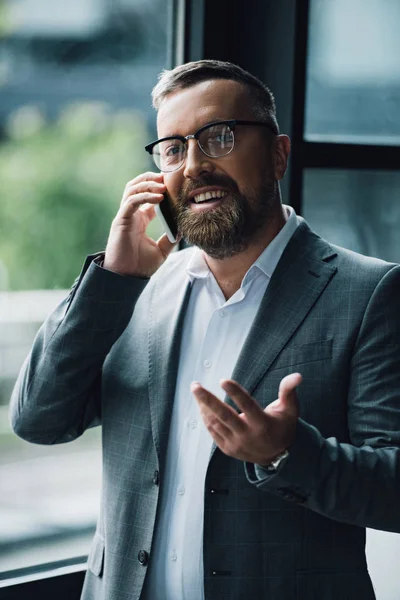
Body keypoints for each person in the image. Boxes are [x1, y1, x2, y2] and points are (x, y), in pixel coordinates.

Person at [10, 60, 400, 600]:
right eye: (172, 148)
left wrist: (287, 454)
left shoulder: (370, 293)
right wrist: (112, 281)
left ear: (278, 154)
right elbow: (39, 419)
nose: (193, 165)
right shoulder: (133, 290)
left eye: (219, 137)